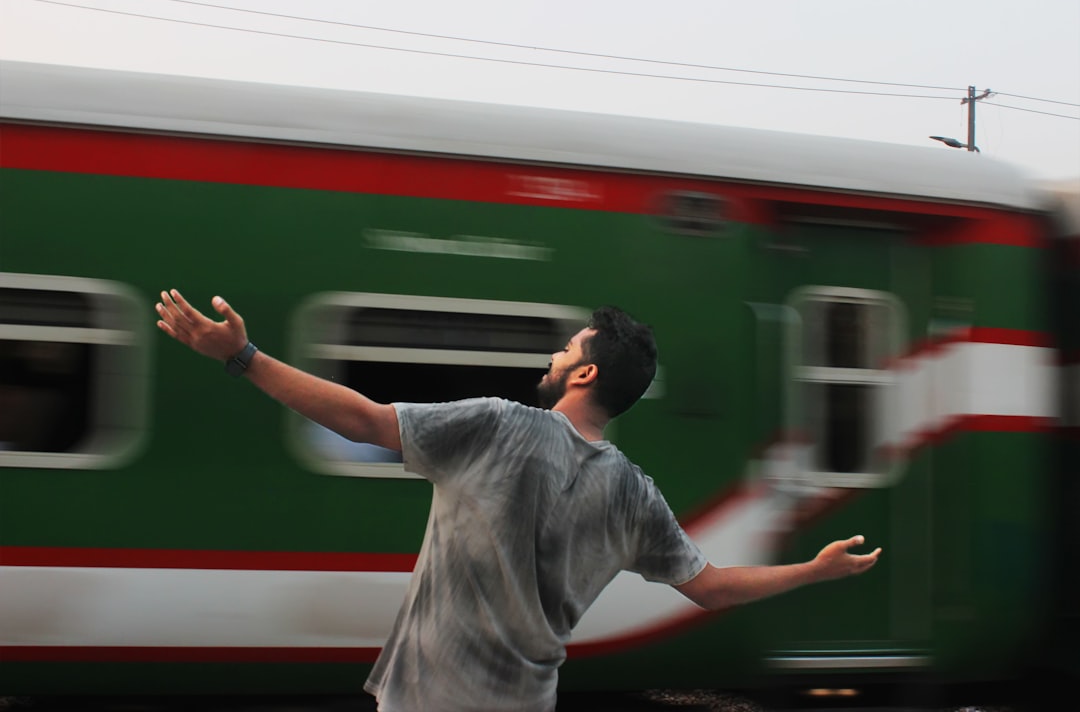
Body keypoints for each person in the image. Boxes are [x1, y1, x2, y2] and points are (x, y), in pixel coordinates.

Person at [155, 289, 881, 712]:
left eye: (564, 350)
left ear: (585, 371)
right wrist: (813, 571)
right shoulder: (634, 492)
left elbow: (366, 421)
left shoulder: (500, 426)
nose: (553, 357)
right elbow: (713, 589)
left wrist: (242, 359)